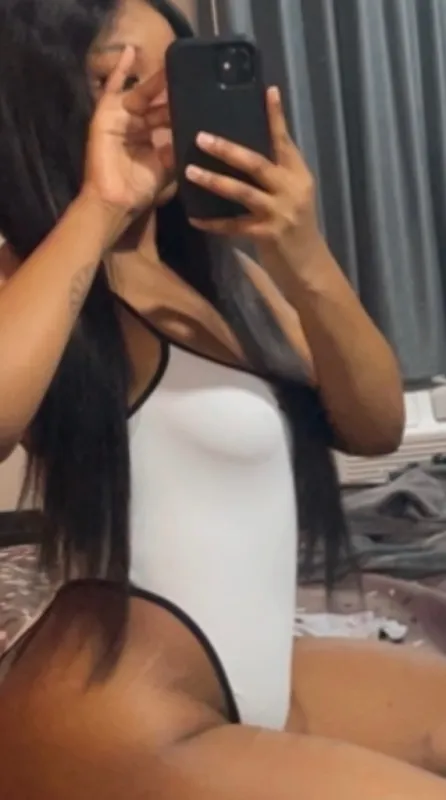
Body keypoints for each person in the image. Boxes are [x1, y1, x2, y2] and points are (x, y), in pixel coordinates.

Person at [0, 0, 445, 797]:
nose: (160, 108)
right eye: (122, 80)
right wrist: (100, 206)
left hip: (259, 668)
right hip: (115, 706)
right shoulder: (29, 270)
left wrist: (300, 251)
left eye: (176, 78)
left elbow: (374, 427)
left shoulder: (219, 277)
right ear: (48, 94)